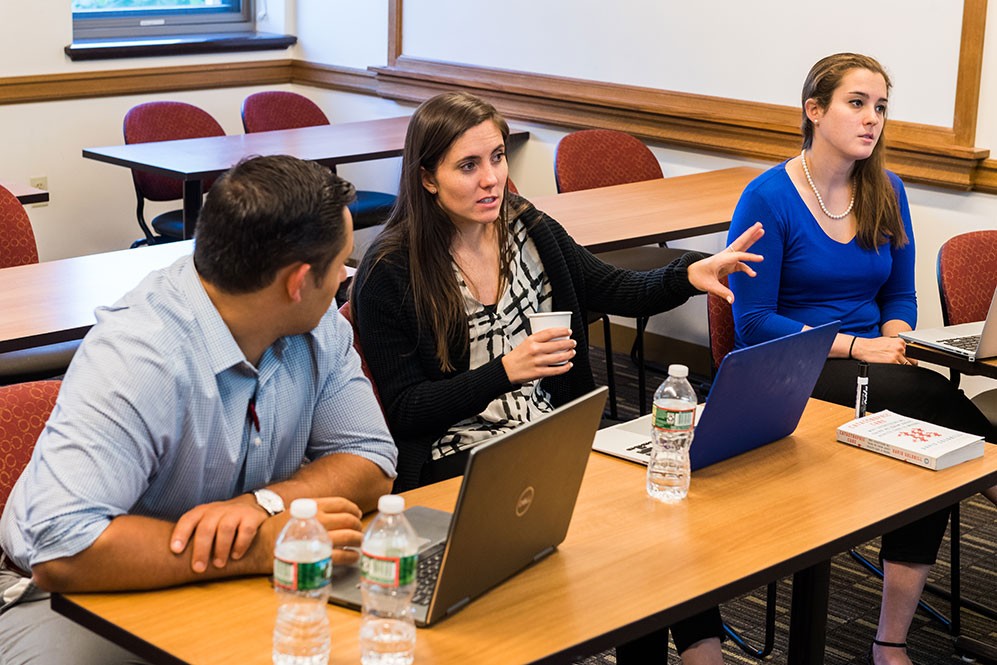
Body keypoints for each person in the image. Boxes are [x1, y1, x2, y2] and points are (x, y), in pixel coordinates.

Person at [351, 91, 765, 664]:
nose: (491, 179)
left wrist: (687, 274)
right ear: (426, 178)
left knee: (656, 536)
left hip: (553, 435)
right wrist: (504, 372)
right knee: (621, 538)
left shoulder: (529, 228)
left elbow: (612, 287)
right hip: (457, 457)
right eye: (468, 166)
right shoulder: (390, 269)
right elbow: (406, 411)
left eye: (497, 158)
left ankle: (703, 653)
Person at [0, 155, 397, 664]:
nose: (345, 277)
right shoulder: (140, 355)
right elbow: (63, 549)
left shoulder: (318, 326)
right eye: (341, 261)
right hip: (60, 597)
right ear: (296, 282)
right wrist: (255, 547)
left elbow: (370, 459)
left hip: (214, 578)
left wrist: (263, 507)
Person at [726, 53, 997, 665]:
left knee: (935, 435)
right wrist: (857, 346)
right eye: (856, 103)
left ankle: (889, 638)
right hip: (793, 369)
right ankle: (889, 642)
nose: (872, 119)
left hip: (879, 368)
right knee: (942, 415)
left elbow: (899, 293)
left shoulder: (887, 188)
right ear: (814, 110)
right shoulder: (767, 198)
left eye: (880, 106)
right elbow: (751, 324)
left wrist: (898, 339)